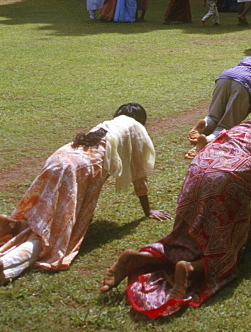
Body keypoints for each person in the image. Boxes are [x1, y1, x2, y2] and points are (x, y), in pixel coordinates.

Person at [101, 106, 251, 317]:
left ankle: (142, 258)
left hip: (199, 167)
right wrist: (246, 238)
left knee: (185, 236)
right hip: (232, 174)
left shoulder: (240, 127)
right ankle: (191, 269)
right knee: (227, 247)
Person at [0, 103, 171, 283]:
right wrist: (148, 211)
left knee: (42, 213)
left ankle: (15, 226)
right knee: (57, 235)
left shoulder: (107, 124)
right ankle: (9, 262)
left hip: (60, 157)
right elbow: (139, 174)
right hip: (79, 168)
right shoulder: (135, 128)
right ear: (141, 120)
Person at [186, 42, 251, 158]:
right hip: (244, 84)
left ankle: (204, 125)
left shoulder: (249, 58)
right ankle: (206, 141)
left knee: (214, 116)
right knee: (226, 125)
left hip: (224, 78)